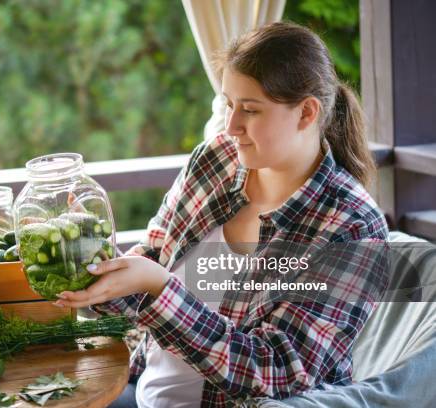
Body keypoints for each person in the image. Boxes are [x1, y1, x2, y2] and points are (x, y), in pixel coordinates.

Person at [53, 22, 389, 407]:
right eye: (229, 104)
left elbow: (276, 370)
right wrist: (93, 263)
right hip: (140, 391)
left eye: (250, 109)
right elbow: (150, 265)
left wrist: (161, 288)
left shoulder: (353, 227)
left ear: (306, 113)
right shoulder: (215, 160)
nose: (231, 126)